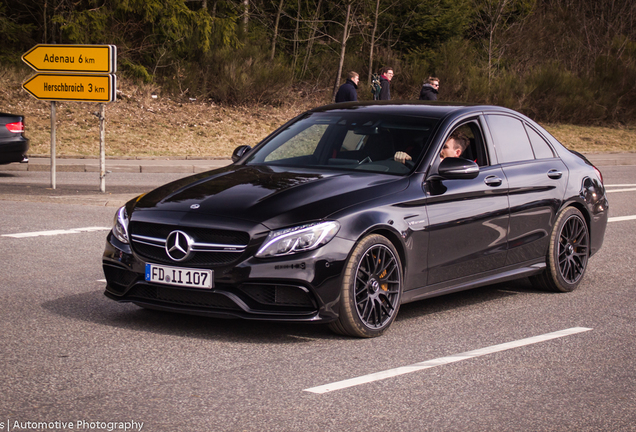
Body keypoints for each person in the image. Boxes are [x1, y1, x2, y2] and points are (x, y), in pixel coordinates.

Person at [394, 130, 469, 164]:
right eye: (438, 145)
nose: (438, 150)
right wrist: (404, 159)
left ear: (457, 152)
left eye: (444, 147)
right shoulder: (423, 159)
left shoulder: (461, 173)